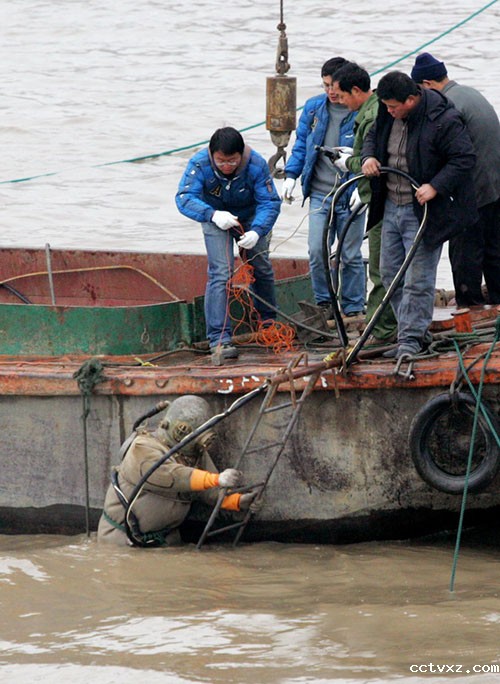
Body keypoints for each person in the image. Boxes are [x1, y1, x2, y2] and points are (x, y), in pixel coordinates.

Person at [361, 71, 477, 359]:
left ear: (411, 100)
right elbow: (373, 135)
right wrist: (368, 157)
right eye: (386, 106)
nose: (388, 111)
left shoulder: (443, 119)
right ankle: (413, 332)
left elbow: (464, 158)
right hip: (391, 205)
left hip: (424, 211)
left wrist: (435, 186)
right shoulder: (387, 111)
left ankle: (410, 339)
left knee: (418, 278)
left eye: (393, 107)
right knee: (390, 273)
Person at [176, 127, 281, 361]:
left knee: (261, 267)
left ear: (241, 155)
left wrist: (257, 230)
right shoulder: (199, 164)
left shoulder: (256, 164)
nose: (226, 166)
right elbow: (184, 197)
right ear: (212, 155)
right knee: (221, 273)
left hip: (251, 218)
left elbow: (270, 202)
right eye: (221, 161)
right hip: (215, 217)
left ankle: (268, 323)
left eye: (232, 161)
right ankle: (219, 339)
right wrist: (212, 214)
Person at [97, 395, 259, 546]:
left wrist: (238, 501)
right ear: (180, 429)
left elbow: (209, 491)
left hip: (167, 540)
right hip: (122, 540)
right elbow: (172, 476)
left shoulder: (192, 453)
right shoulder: (142, 448)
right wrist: (217, 479)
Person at [411, 52, 500, 306]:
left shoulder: (447, 105)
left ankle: (469, 309)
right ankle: (496, 304)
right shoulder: (471, 94)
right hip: (495, 187)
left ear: (427, 84)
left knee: (465, 254)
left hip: (472, 192)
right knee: (494, 251)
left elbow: (452, 154)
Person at [282, 57, 366, 319]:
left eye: (334, 86)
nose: (330, 91)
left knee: (350, 254)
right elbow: (301, 144)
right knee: (317, 251)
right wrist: (291, 175)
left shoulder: (360, 112)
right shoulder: (314, 108)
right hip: (320, 194)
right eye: (325, 85)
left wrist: (364, 189)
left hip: (351, 194)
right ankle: (324, 303)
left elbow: (371, 152)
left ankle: (353, 307)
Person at [332, 61, 397, 345]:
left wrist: (348, 163)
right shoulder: (375, 109)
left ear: (356, 90)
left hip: (383, 201)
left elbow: (375, 163)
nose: (340, 101)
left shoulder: (371, 117)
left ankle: (381, 331)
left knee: (381, 269)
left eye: (342, 95)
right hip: (383, 199)